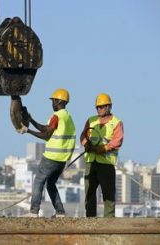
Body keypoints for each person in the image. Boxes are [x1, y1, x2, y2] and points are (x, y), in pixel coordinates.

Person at [17, 88, 76, 217]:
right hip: (62, 159)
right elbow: (46, 128)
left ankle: (33, 211)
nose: (52, 103)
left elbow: (46, 135)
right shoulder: (67, 117)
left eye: (54, 101)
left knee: (39, 181)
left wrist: (28, 131)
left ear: (59, 101)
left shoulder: (57, 116)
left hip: (51, 157)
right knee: (50, 184)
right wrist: (31, 120)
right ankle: (60, 212)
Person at [80, 93, 124, 217]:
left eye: (102, 106)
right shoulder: (91, 120)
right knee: (89, 193)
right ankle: (90, 221)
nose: (99, 109)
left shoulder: (116, 122)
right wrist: (86, 143)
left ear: (109, 107)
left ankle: (108, 222)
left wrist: (103, 148)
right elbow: (83, 135)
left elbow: (117, 141)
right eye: (97, 107)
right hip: (91, 163)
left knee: (108, 195)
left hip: (106, 164)